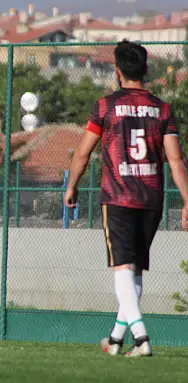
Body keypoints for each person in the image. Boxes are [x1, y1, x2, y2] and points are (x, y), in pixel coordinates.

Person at [64, 40, 188, 357]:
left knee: (122, 268)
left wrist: (72, 186)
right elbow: (176, 161)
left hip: (118, 197)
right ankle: (117, 339)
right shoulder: (162, 109)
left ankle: (142, 338)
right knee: (134, 271)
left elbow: (82, 152)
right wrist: (187, 201)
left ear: (117, 71)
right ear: (145, 70)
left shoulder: (105, 106)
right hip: (151, 199)